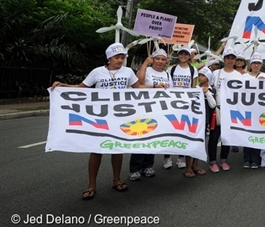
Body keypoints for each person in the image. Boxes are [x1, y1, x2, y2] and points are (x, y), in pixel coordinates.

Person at [50, 43, 149, 200]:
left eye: (123, 57)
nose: (120, 60)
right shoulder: (97, 72)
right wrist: (63, 86)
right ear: (109, 58)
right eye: (117, 57)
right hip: (100, 117)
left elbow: (138, 87)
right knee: (96, 150)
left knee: (117, 148)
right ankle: (91, 185)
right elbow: (82, 87)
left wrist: (157, 87)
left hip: (120, 116)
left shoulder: (128, 71)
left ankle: (117, 180)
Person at [128, 48, 170, 181]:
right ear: (153, 59)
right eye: (157, 58)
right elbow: (138, 84)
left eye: (163, 59)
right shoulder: (147, 70)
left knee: (153, 138)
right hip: (143, 109)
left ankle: (148, 166)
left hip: (159, 110)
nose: (160, 62)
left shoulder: (167, 74)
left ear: (166, 62)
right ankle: (135, 169)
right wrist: (145, 64)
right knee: (140, 137)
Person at [208, 46, 242, 172]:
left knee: (227, 136)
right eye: (228, 58)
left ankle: (223, 160)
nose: (230, 60)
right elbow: (210, 88)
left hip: (231, 110)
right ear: (224, 59)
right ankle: (212, 161)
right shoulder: (216, 73)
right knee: (214, 136)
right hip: (217, 109)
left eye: (233, 58)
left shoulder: (238, 75)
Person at [164, 46, 198, 170]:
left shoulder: (193, 70)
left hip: (186, 105)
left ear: (189, 56)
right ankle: (167, 157)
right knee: (170, 130)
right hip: (172, 104)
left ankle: (181, 157)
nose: (183, 56)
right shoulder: (171, 69)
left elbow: (193, 87)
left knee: (183, 131)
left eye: (186, 54)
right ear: (178, 56)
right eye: (181, 54)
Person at [183, 67, 213, 178]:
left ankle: (195, 165)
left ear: (208, 78)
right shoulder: (193, 89)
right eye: (199, 75)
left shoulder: (211, 90)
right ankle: (188, 167)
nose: (200, 77)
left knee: (199, 143)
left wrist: (207, 93)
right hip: (192, 121)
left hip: (203, 122)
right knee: (190, 142)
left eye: (203, 75)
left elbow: (213, 105)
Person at [242, 53, 263, 169]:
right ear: (250, 64)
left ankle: (255, 159)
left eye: (258, 63)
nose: (256, 65)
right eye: (254, 63)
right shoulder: (244, 77)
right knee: (247, 135)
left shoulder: (264, 77)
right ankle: (246, 159)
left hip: (259, 111)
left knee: (257, 135)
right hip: (246, 110)